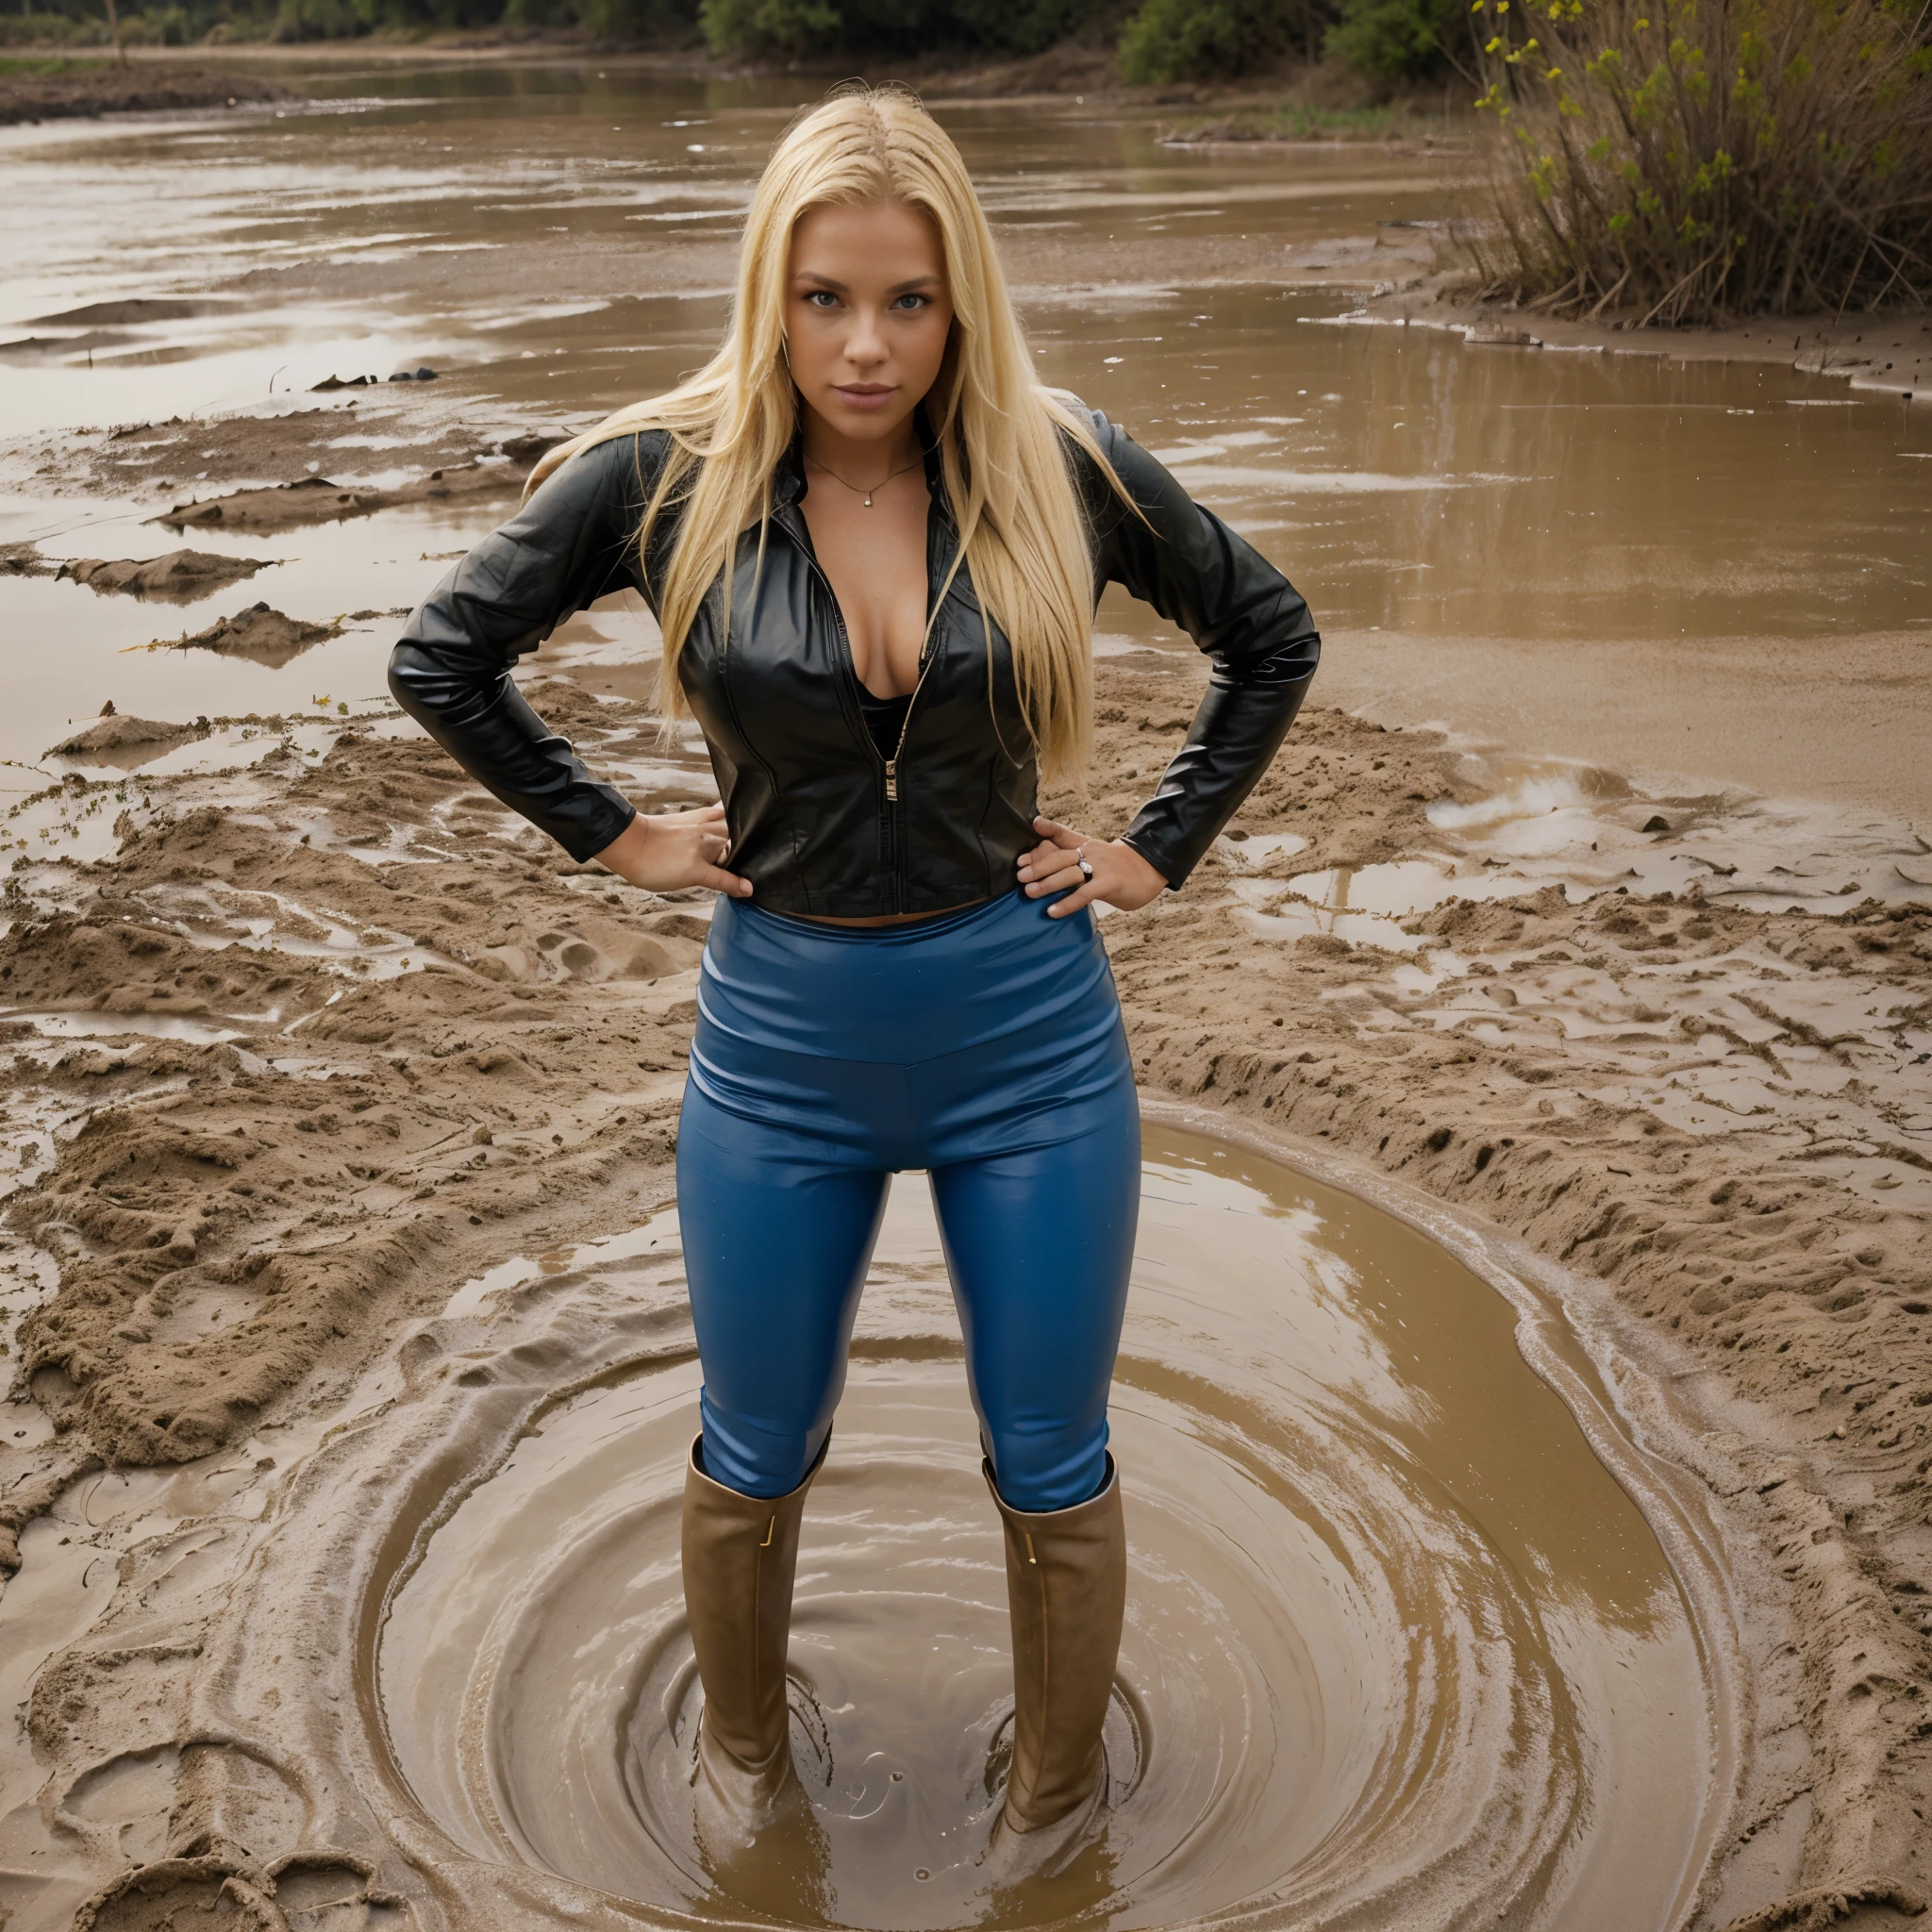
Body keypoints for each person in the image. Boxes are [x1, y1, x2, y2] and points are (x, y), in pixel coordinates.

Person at [389, 83, 1319, 1875]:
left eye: (908, 299)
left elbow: (1268, 635)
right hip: (781, 1053)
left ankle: (1055, 1816)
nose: (867, 345)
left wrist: (1156, 844)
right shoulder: (659, 479)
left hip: (1031, 1041)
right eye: (825, 299)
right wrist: (611, 834)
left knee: (1051, 1452)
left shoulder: (1064, 465)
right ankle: (749, 1781)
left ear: (961, 294)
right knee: (754, 1442)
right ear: (771, 291)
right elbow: (445, 657)